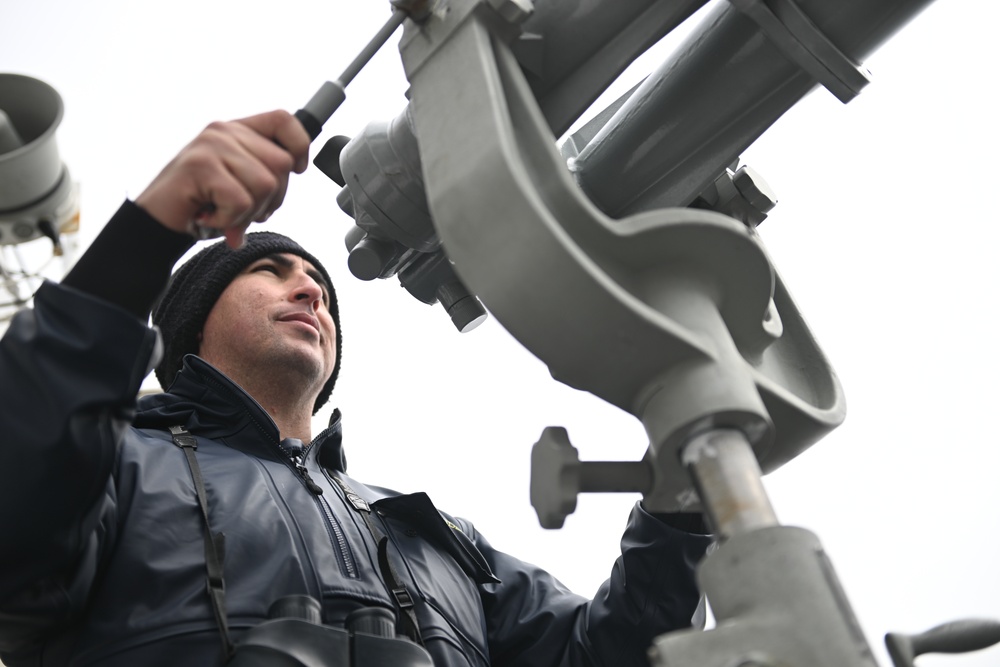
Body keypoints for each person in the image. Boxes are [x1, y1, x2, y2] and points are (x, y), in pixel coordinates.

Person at [0, 110, 713, 666]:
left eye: (321, 288)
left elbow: (615, 654)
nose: (309, 287)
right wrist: (148, 235)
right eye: (268, 271)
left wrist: (679, 509)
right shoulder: (115, 468)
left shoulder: (439, 539)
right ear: (193, 319)